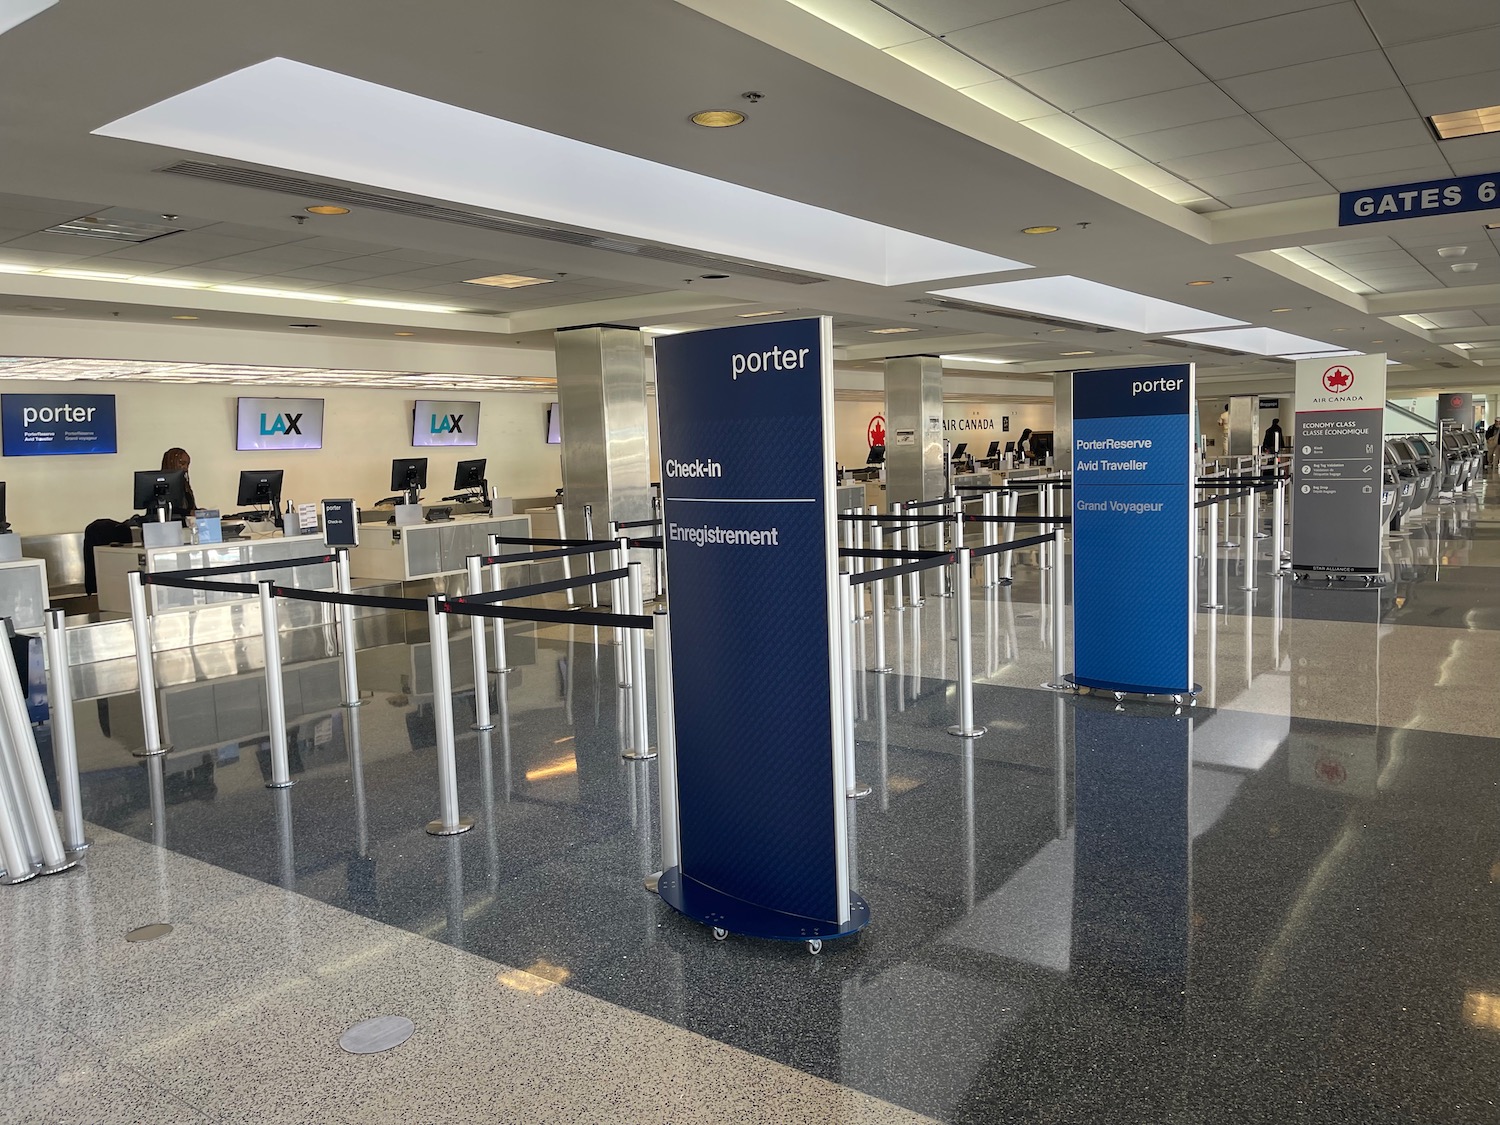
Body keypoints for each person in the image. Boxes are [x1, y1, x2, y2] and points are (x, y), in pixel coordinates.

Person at [160, 446, 198, 518]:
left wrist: (199, 512)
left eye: (187, 464)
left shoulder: (184, 486)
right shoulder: (161, 486)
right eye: (182, 463)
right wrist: (189, 512)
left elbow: (190, 509)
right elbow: (166, 510)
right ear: (171, 462)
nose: (185, 467)